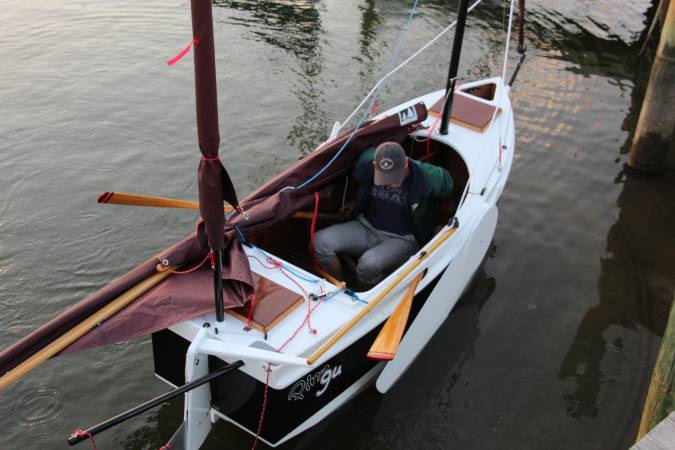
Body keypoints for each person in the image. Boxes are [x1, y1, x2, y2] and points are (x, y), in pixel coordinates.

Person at [314, 141, 454, 288]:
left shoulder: (429, 176)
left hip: (403, 239)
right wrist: (355, 203)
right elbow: (359, 177)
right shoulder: (366, 161)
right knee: (320, 241)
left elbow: (448, 186)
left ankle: (362, 292)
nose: (389, 183)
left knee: (368, 264)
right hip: (365, 226)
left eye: (394, 177)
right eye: (384, 177)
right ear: (375, 164)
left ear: (406, 163)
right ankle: (339, 287)